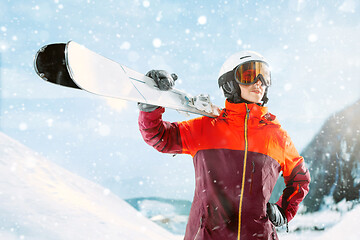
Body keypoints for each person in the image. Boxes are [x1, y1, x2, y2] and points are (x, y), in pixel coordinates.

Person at [138, 51, 311, 240]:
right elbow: (159, 136)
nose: (259, 81)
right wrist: (150, 106)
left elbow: (300, 178)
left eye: (264, 76)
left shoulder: (276, 136)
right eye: (249, 75)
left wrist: (284, 211)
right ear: (229, 83)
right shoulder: (205, 128)